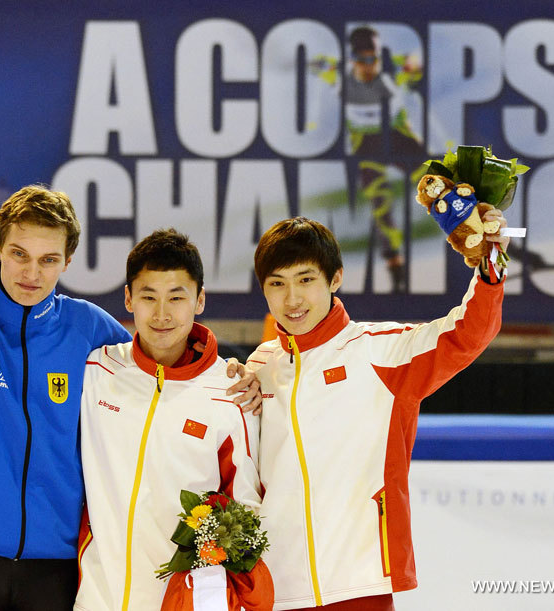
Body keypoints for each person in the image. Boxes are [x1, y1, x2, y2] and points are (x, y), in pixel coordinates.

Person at [0, 122, 259, 611]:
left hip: (54, 570)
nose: (31, 273)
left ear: (67, 261)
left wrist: (231, 371)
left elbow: (165, 361)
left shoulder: (89, 331)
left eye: (48, 259)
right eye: (19, 254)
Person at [247, 212, 508, 610]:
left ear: (335, 279)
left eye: (306, 280)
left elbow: (468, 332)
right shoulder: (260, 365)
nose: (292, 299)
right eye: (277, 285)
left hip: (360, 582)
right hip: (273, 586)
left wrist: (491, 264)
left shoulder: (381, 351)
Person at [76, 229, 269, 611]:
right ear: (129, 298)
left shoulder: (230, 394)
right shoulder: (96, 371)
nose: (162, 314)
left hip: (184, 602)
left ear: (199, 300)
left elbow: (247, 514)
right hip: (96, 599)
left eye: (176, 298)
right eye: (148, 297)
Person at [344, 25, 424, 293]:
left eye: (373, 58)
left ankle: (479, 237)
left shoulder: (395, 67)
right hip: (367, 146)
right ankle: (396, 269)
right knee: (380, 204)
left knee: (437, 187)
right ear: (352, 58)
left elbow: (418, 61)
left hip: (400, 139)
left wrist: (415, 66)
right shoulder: (339, 76)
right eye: (361, 59)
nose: (368, 65)